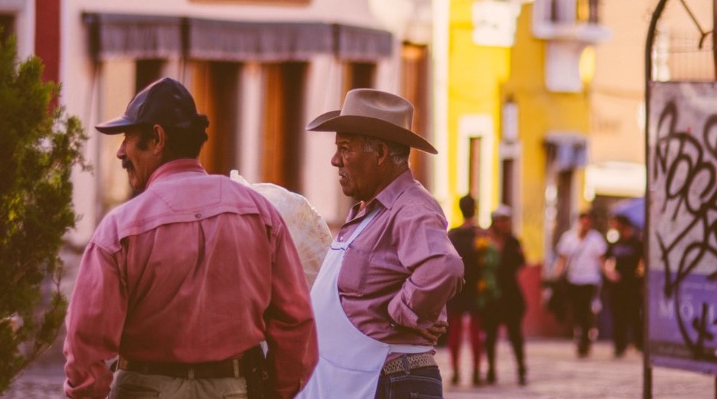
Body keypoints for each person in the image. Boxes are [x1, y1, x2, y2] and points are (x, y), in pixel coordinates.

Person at [63, 78, 317, 399]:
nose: (120, 151)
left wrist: (85, 394)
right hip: (233, 390)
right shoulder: (260, 215)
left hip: (144, 389)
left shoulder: (121, 228)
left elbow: (87, 338)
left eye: (128, 137)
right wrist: (276, 392)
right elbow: (295, 320)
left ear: (157, 138)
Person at [298, 88, 464, 399]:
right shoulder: (367, 212)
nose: (335, 160)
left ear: (381, 153)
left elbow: (444, 265)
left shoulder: (411, 207)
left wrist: (402, 311)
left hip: (394, 382)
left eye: (345, 148)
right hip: (368, 380)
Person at [480, 204, 527, 385]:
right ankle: (491, 369)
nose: (502, 224)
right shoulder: (485, 241)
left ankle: (521, 367)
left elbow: (520, 263)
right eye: (499, 220)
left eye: (505, 221)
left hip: (510, 295)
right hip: (491, 295)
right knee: (490, 335)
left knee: (515, 334)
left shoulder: (514, 242)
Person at [554, 210, 606, 358]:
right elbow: (562, 259)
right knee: (576, 310)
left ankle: (585, 340)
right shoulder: (569, 238)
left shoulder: (596, 239)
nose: (586, 223)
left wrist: (609, 274)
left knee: (586, 309)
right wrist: (557, 272)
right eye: (584, 220)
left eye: (588, 221)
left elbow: (601, 260)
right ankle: (580, 336)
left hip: (590, 279)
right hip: (573, 279)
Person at [445, 195, 483, 386]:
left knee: (455, 331)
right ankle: (476, 370)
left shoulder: (452, 235)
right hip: (477, 287)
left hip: (457, 287)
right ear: (474, 209)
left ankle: (456, 371)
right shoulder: (482, 235)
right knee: (476, 331)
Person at [604, 214, 644, 357]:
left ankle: (639, 343)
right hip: (617, 285)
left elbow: (643, 260)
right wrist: (610, 273)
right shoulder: (616, 242)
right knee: (618, 315)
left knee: (634, 315)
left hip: (632, 283)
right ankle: (620, 345)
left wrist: (640, 276)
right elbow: (607, 259)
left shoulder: (636, 242)